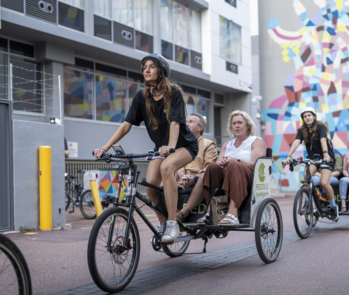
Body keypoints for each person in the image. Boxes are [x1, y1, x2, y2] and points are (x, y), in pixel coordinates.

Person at [94, 53, 198, 244]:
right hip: (161, 148)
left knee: (166, 168)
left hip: (184, 145)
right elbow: (126, 125)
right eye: (144, 67)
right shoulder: (142, 97)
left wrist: (172, 147)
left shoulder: (174, 93)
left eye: (151, 66)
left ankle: (173, 223)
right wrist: (104, 148)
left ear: (161, 71)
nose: (146, 70)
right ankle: (162, 223)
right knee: (150, 186)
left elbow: (175, 124)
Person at [189, 110, 266, 226]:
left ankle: (233, 213)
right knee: (213, 167)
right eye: (234, 123)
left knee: (234, 165)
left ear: (248, 126)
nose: (237, 126)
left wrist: (237, 160)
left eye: (240, 122)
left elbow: (257, 165)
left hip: (248, 178)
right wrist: (223, 163)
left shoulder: (256, 141)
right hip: (226, 177)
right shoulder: (227, 144)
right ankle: (211, 212)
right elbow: (218, 164)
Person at [282, 107, 338, 220]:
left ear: (314, 116)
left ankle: (333, 206)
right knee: (306, 182)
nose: (307, 118)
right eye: (304, 116)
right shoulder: (302, 130)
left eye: (309, 115)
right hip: (312, 159)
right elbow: (296, 141)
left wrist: (326, 154)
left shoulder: (321, 126)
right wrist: (289, 156)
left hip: (326, 158)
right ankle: (309, 203)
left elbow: (323, 139)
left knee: (324, 182)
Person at [175, 113, 217, 190]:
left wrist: (194, 178)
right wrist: (182, 176)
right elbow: (178, 165)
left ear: (200, 127)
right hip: (182, 179)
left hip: (199, 181)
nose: (186, 124)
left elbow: (210, 168)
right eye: (186, 122)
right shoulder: (181, 145)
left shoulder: (208, 145)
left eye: (190, 122)